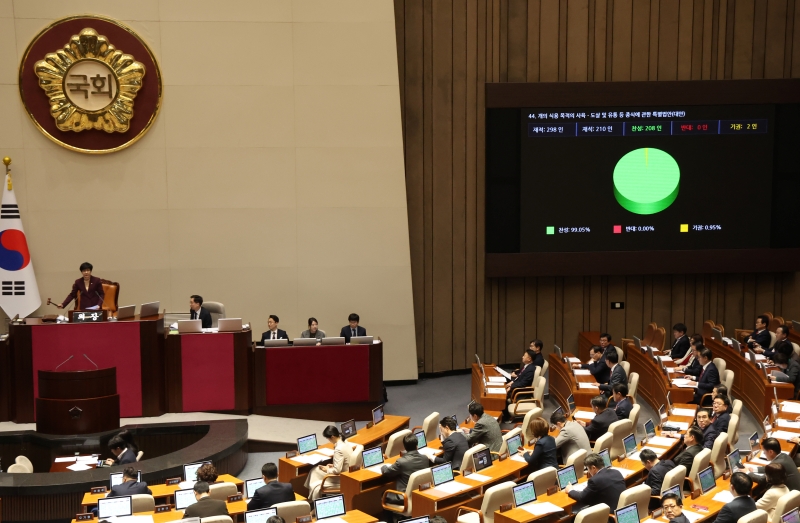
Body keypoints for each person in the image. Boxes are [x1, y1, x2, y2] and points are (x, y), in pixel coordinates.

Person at [381, 433, 429, 503]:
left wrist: (383, 465)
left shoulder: (401, 462)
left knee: (384, 495)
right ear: (417, 446)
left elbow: (386, 472)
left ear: (404, 447)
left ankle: (393, 513)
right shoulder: (425, 458)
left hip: (404, 497)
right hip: (420, 495)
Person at [305, 425, 350, 499]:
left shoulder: (338, 449)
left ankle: (316, 501)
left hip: (341, 478)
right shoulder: (345, 442)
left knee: (316, 483)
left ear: (332, 437)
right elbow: (345, 461)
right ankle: (310, 495)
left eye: (328, 438)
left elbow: (337, 470)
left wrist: (327, 469)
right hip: (345, 471)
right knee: (314, 470)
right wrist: (333, 465)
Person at [503, 348, 538, 421]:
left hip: (521, 392)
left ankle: (506, 417)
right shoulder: (526, 366)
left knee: (503, 396)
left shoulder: (531, 369)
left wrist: (511, 387)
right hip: (517, 387)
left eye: (524, 356)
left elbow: (524, 383)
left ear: (529, 359)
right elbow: (519, 377)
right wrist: (512, 383)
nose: (522, 357)